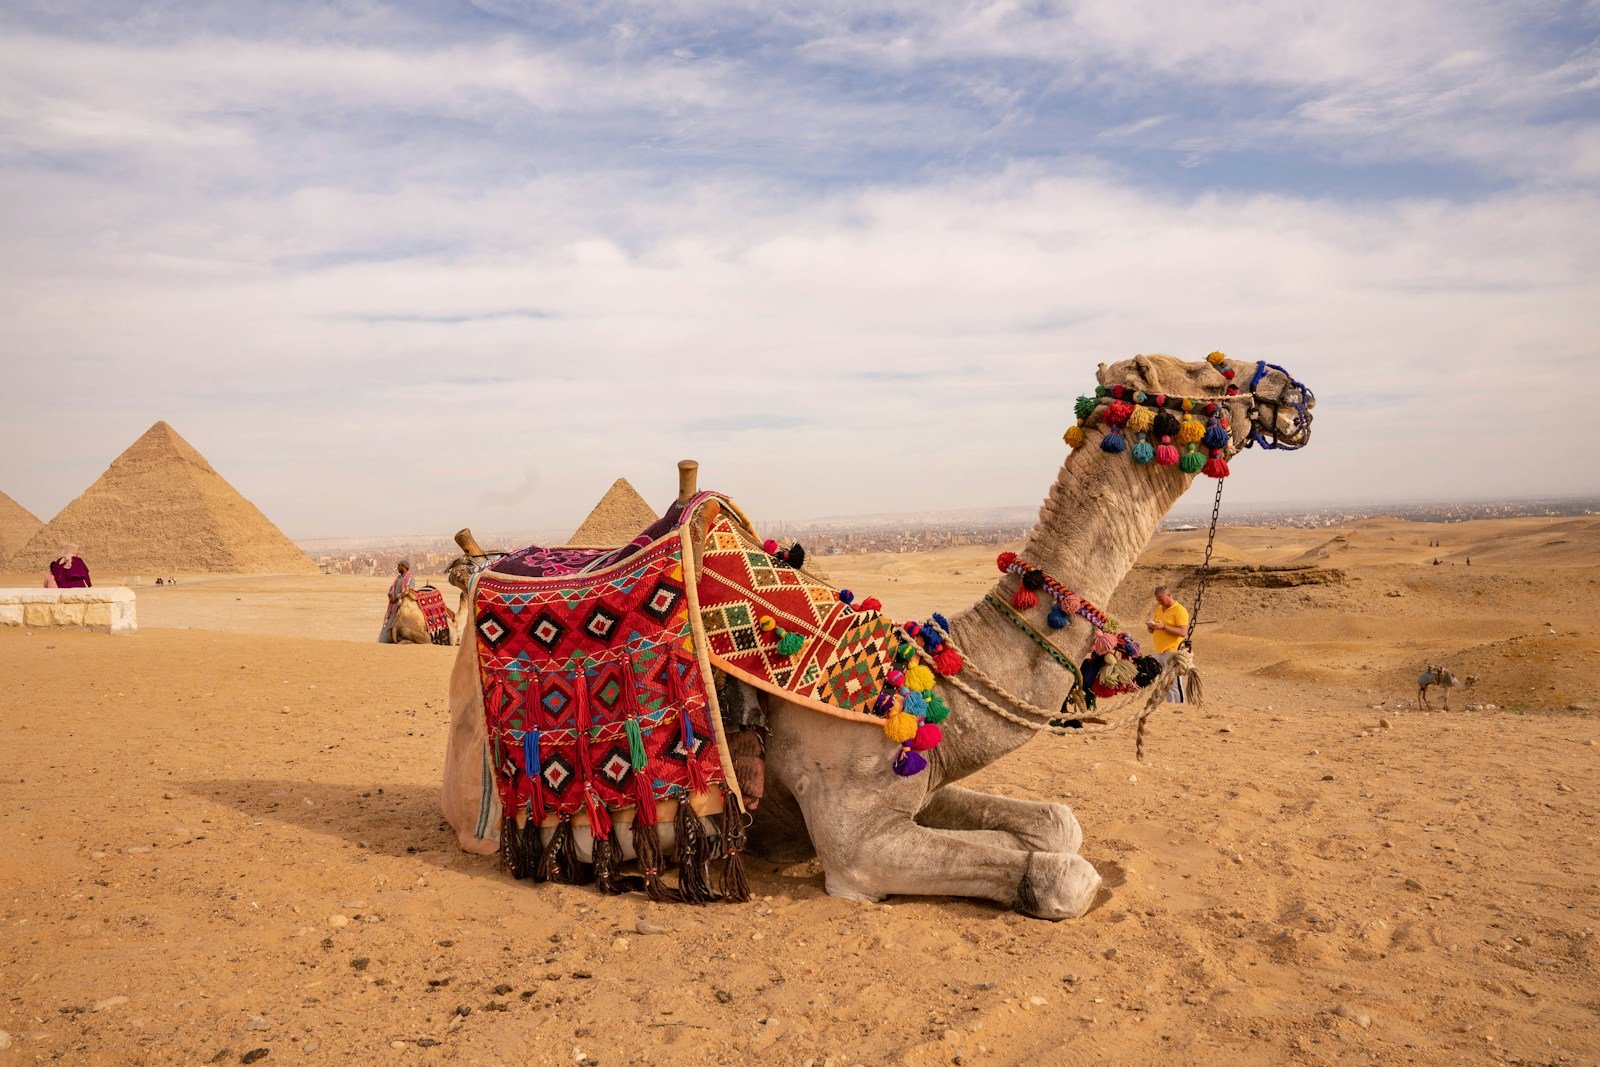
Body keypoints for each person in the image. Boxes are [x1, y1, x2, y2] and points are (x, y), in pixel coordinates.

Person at [1145, 585, 1189, 702]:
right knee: (1162, 681)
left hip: (1172, 651)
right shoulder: (1159, 609)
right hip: (1159, 650)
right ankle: (1169, 706)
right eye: (1158, 600)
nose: (1160, 602)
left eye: (1161, 599)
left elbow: (1183, 632)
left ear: (1169, 595)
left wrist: (1163, 627)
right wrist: (1151, 626)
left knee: (1174, 682)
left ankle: (1179, 707)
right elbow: (1152, 630)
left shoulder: (1180, 610)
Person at [378, 560, 415, 643]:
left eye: (399, 566)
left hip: (401, 607)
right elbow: (391, 588)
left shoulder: (410, 578)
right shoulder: (398, 578)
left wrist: (396, 598)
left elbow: (408, 590)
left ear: (404, 567)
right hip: (393, 607)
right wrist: (390, 595)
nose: (397, 567)